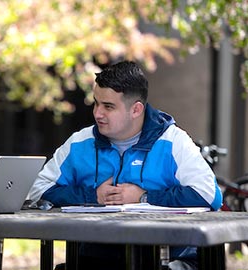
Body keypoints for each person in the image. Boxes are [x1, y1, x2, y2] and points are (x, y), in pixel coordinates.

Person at [28, 60, 223, 270]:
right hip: (97, 258)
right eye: (96, 103)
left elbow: (209, 194)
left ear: (136, 109)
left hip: (164, 257)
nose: (97, 113)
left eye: (108, 106)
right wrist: (93, 197)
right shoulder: (79, 142)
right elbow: (37, 190)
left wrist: (143, 197)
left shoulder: (173, 141)